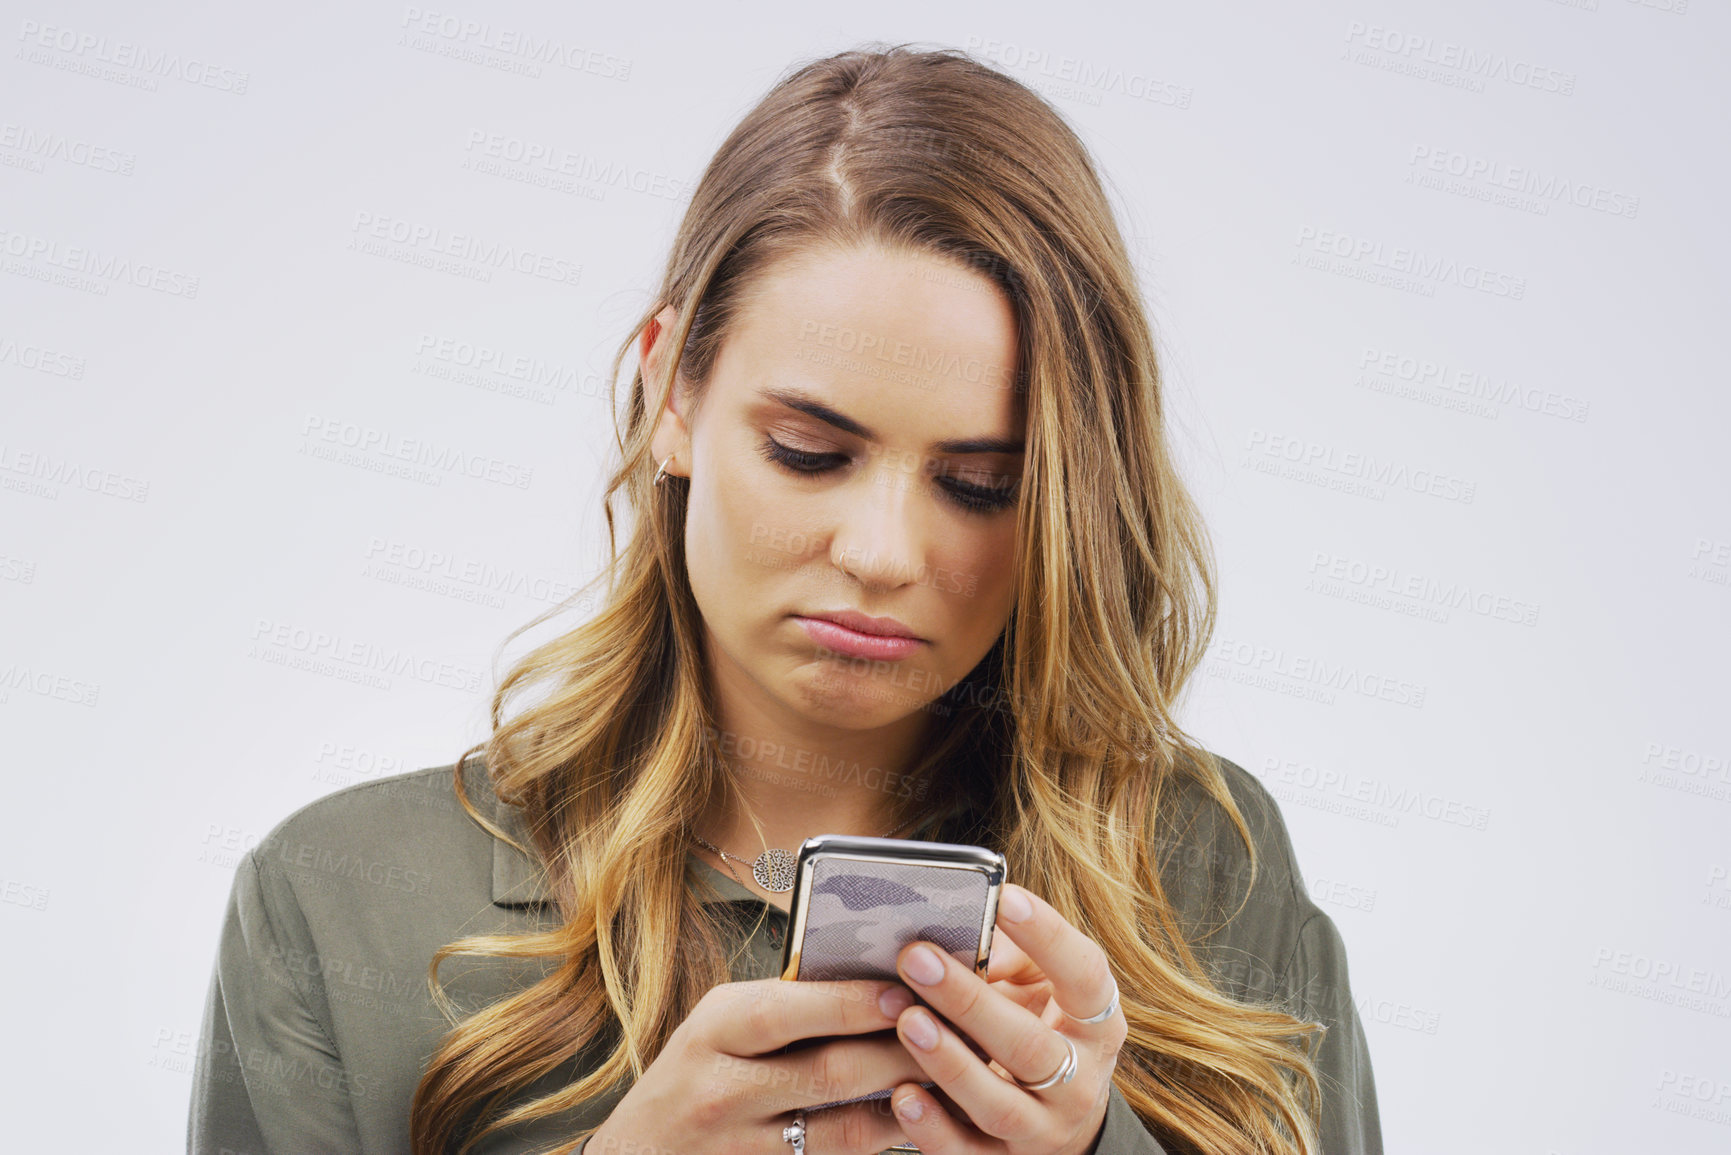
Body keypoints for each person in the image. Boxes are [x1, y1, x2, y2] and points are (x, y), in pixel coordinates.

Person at [188, 43, 1381, 1155]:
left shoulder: (1207, 872)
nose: (879, 551)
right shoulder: (336, 901)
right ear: (671, 392)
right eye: (811, 450)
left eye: (981, 485)